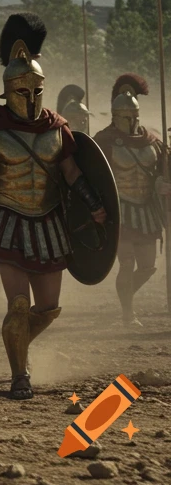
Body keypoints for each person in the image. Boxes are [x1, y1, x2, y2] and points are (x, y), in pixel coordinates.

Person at [0, 13, 106, 400]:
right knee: (19, 304)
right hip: (7, 219)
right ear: (8, 90)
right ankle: (19, 373)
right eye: (22, 91)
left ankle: (18, 340)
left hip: (48, 224)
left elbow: (72, 172)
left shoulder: (56, 127)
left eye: (35, 90)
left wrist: (94, 204)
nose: (30, 98)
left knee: (48, 306)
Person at [93, 74, 168, 326]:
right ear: (115, 116)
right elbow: (93, 176)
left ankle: (124, 296)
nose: (132, 121)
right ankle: (128, 312)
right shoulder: (103, 142)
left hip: (146, 212)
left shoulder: (153, 142)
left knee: (147, 267)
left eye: (134, 116)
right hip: (120, 210)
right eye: (126, 116)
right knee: (126, 263)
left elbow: (162, 171)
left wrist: (164, 183)